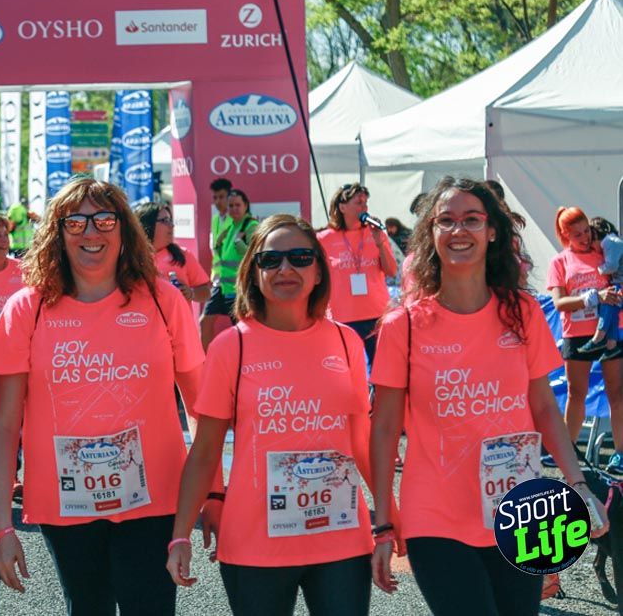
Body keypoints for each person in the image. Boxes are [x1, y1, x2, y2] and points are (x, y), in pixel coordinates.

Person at [370, 178, 609, 615]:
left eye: (471, 220)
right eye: (446, 221)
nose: (459, 230)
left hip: (522, 510)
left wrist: (578, 485)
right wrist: (383, 522)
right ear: (430, 234)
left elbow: (543, 408)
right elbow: (384, 428)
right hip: (435, 515)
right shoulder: (401, 326)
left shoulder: (523, 312)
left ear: (492, 230)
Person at [0, 177, 206, 615]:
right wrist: (0, 527)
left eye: (105, 219)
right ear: (56, 231)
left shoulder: (163, 299)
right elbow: (4, 423)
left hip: (155, 498)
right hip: (64, 500)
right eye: (76, 221)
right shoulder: (26, 307)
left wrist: (211, 496)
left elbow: (200, 407)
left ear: (124, 229)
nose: (91, 232)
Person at [167, 214, 374, 615]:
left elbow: (360, 441)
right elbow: (206, 450)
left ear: (318, 270)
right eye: (270, 260)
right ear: (253, 273)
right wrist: (180, 535)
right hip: (254, 544)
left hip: (341, 537)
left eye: (299, 257)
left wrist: (390, 517)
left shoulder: (346, 342)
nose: (285, 269)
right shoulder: (231, 347)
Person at [547, 206, 623, 474]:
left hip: (610, 331)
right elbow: (559, 303)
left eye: (587, 231)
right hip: (577, 334)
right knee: (575, 394)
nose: (585, 238)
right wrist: (591, 298)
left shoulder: (603, 253)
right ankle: (567, 451)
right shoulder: (560, 262)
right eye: (577, 234)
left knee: (617, 394)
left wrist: (613, 295)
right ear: (565, 235)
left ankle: (620, 454)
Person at [316, 183, 397, 362]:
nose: (364, 207)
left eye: (366, 203)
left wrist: (380, 243)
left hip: (376, 314)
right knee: (346, 368)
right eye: (359, 202)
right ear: (342, 207)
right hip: (342, 316)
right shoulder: (324, 239)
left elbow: (391, 271)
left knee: (381, 368)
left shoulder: (376, 233)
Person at [201, 189, 256, 349]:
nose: (234, 209)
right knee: (205, 321)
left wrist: (240, 243)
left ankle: (246, 363)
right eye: (231, 205)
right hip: (223, 287)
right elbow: (223, 255)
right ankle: (206, 362)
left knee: (242, 329)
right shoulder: (231, 225)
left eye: (238, 205)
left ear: (246, 205)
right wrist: (218, 244)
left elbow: (255, 254)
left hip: (239, 288)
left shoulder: (250, 225)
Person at [136, 202, 210, 305]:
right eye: (165, 221)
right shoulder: (132, 258)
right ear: (148, 224)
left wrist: (191, 293)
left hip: (180, 321)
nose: (172, 225)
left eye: (170, 220)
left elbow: (206, 292)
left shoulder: (182, 255)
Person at [578, 217, 623, 357]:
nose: (592, 247)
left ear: (596, 235)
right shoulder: (611, 242)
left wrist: (598, 269)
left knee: (609, 300)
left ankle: (599, 337)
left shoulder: (610, 242)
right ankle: (612, 344)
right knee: (613, 307)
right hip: (619, 282)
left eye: (591, 242)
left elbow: (611, 266)